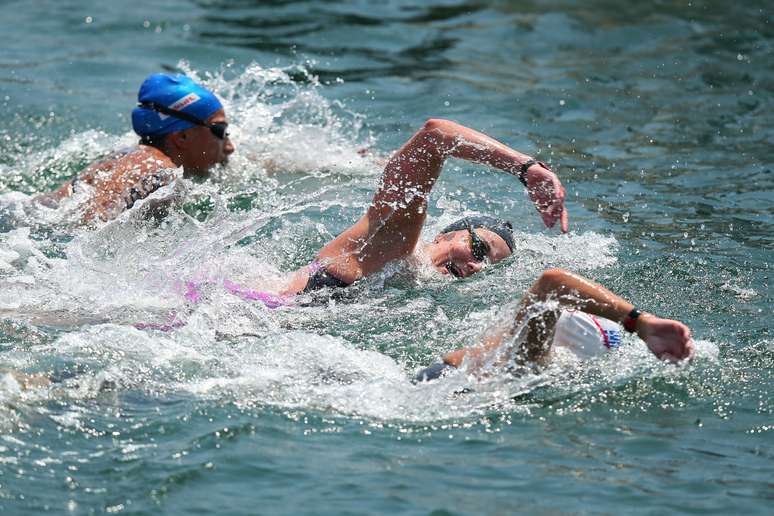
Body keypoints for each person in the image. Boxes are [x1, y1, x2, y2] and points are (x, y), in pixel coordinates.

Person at [221, 118, 568, 305]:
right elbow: (435, 136)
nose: (478, 265)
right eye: (479, 248)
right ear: (444, 235)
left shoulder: (414, 292)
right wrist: (526, 168)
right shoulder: (394, 243)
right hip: (229, 315)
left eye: (489, 265)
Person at [414, 268, 694, 382]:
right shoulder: (532, 362)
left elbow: (554, 285)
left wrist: (640, 324)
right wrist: (639, 323)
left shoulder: (530, 358)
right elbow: (552, 283)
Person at [35, 73, 235, 222]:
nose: (230, 146)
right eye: (220, 130)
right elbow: (87, 221)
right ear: (182, 136)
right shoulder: (158, 169)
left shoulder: (134, 155)